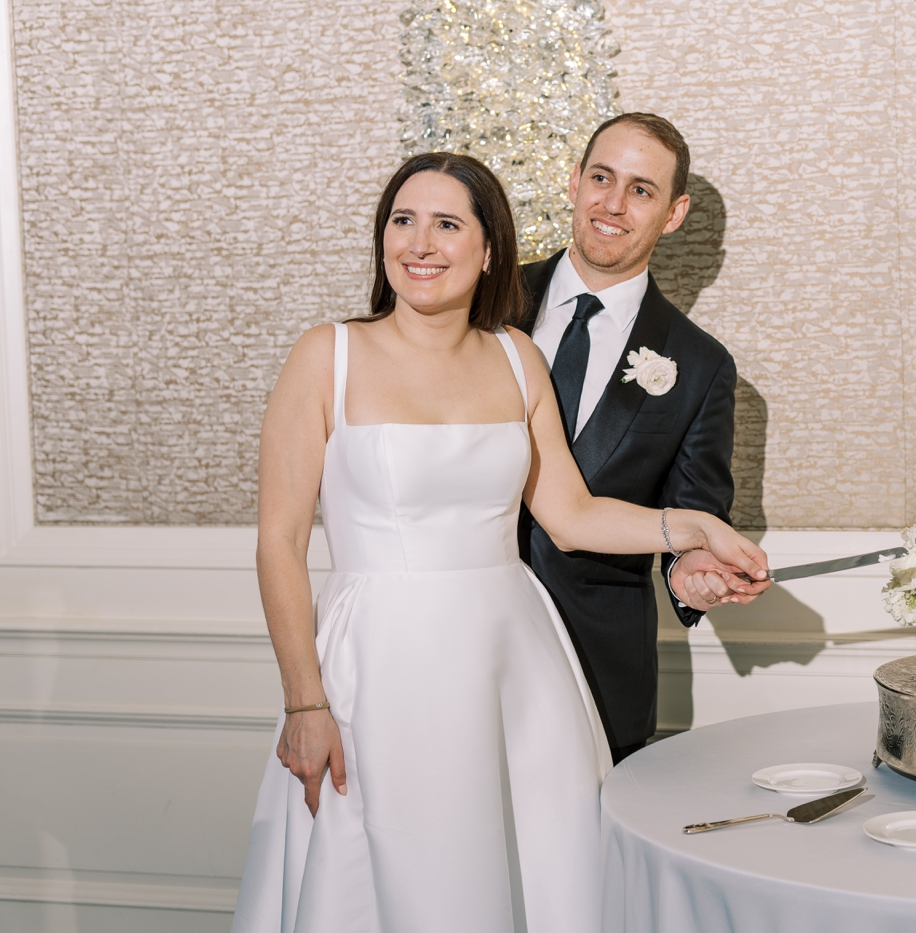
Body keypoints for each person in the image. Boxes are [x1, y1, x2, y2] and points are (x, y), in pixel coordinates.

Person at [230, 152, 768, 933]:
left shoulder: (518, 359)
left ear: (489, 250)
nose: (420, 243)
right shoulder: (327, 354)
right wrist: (303, 699)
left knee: (534, 877)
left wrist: (693, 527)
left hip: (514, 660)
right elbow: (277, 543)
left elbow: (572, 514)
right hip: (380, 662)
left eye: (448, 224)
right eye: (402, 221)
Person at [519, 113, 767, 764]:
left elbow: (695, 522)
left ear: (674, 212)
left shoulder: (702, 365)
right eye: (601, 177)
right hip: (453, 636)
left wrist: (695, 576)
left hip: (598, 661)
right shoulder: (484, 304)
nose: (613, 203)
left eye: (641, 189)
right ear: (574, 183)